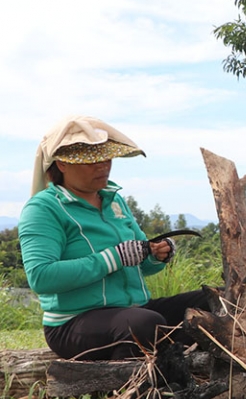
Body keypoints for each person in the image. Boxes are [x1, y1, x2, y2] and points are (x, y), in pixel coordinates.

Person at [19, 116, 212, 361]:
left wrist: (154, 255)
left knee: (218, 300)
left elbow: (138, 263)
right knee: (146, 324)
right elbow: (41, 277)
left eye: (106, 158)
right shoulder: (44, 209)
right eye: (91, 161)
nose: (103, 166)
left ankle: (178, 360)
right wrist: (113, 258)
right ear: (62, 164)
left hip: (133, 310)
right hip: (74, 322)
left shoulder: (114, 200)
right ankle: (125, 386)